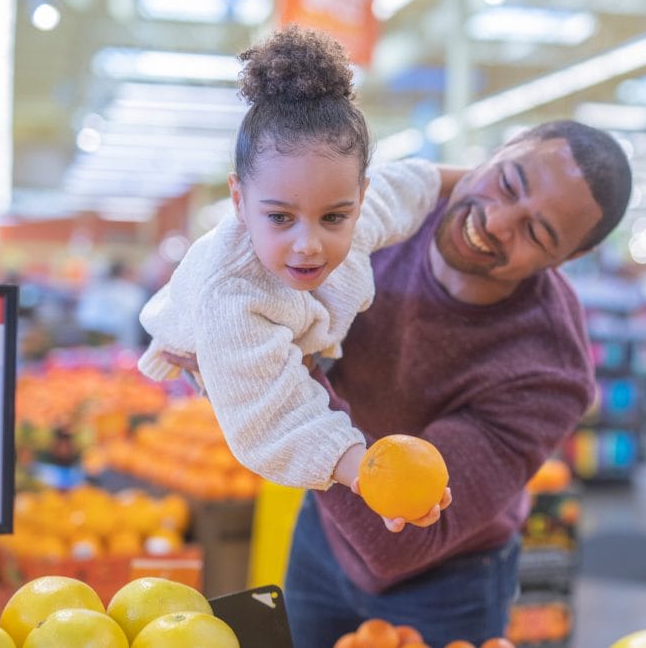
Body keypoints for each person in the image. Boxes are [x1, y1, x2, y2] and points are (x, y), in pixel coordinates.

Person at [283, 120, 633, 646]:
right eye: (509, 182)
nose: (494, 221)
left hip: (447, 580)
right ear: (489, 157)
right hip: (324, 532)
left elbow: (399, 534)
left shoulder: (547, 371)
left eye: (537, 232)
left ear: (568, 260)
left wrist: (273, 378)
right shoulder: (384, 219)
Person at [138, 25, 449, 503]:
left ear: (358, 199)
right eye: (280, 217)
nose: (308, 244)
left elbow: (407, 186)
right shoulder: (233, 293)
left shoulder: (360, 213)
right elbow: (276, 419)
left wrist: (485, 178)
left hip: (293, 335)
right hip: (207, 352)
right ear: (239, 200)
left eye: (333, 217)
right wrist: (364, 472)